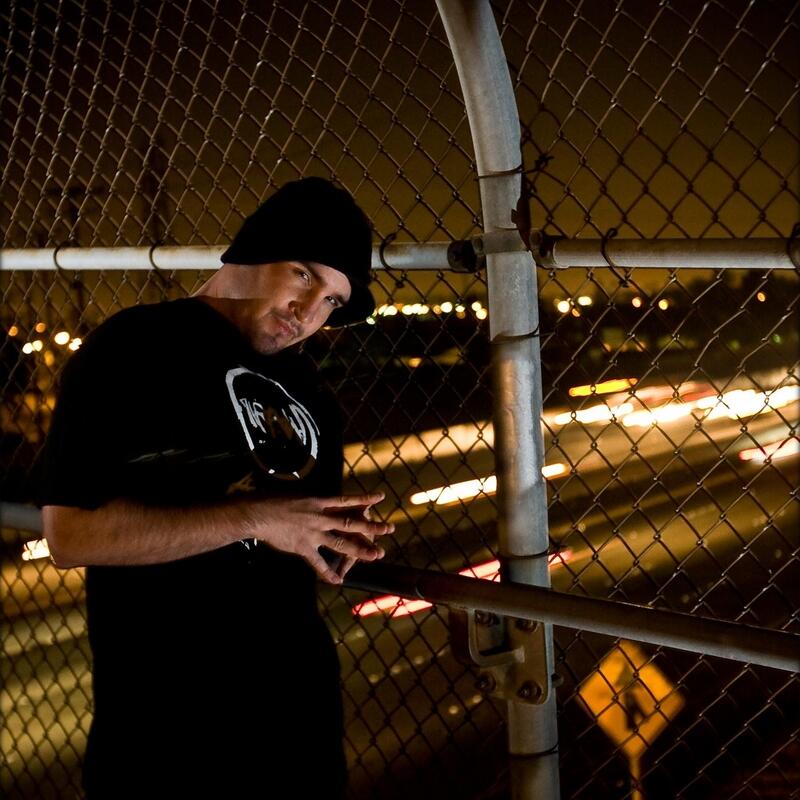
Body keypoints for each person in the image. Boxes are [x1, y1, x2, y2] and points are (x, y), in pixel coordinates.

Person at [38, 177, 394, 798]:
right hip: (167, 737)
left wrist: (336, 537)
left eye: (333, 301)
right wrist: (253, 518)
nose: (309, 313)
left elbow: (295, 532)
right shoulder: (135, 347)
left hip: (297, 731)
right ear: (253, 249)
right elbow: (70, 534)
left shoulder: (311, 391)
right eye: (304, 275)